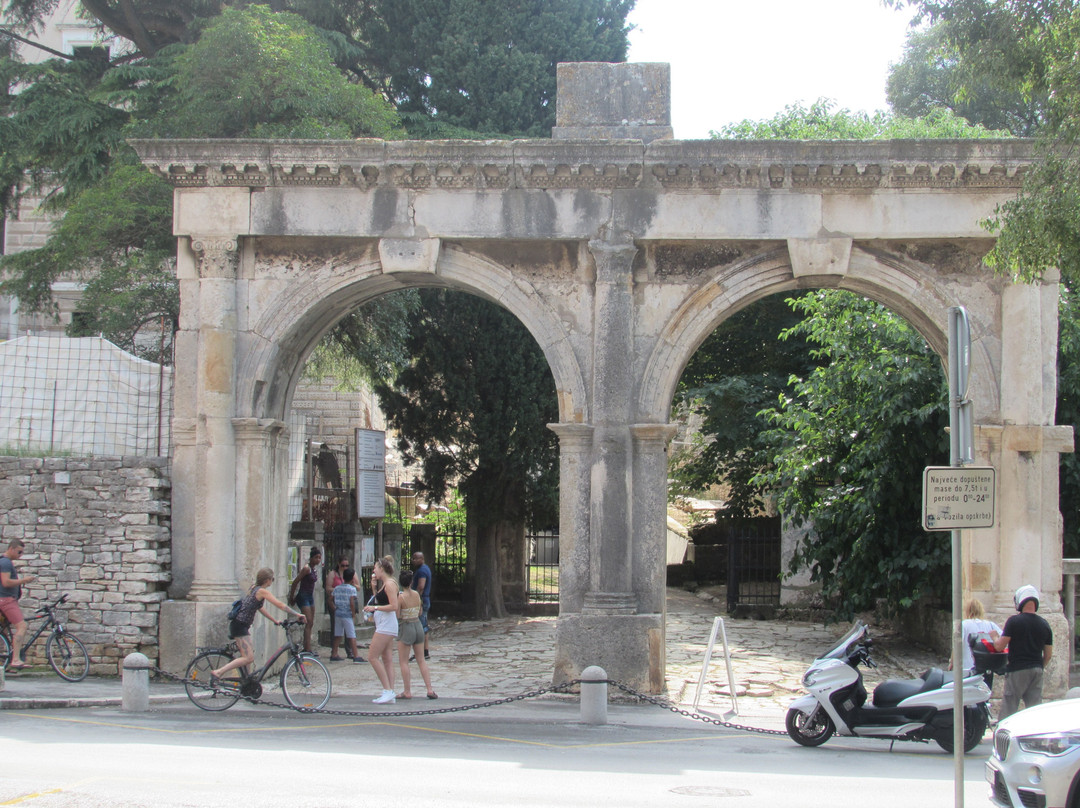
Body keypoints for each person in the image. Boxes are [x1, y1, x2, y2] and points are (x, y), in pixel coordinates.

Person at [212, 568, 305, 682]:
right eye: (272, 579)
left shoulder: (253, 588)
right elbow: (280, 604)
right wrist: (297, 614)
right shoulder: (262, 591)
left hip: (241, 625)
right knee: (248, 657)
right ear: (267, 580)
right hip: (239, 626)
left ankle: (246, 682)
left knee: (248, 655)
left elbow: (259, 607)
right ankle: (219, 672)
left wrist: (274, 620)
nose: (272, 581)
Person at [994, 584, 1053, 719]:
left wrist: (993, 637)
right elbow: (1048, 655)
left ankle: (1004, 736)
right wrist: (1038, 666)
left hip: (1017, 669)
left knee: (1010, 706)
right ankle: (1035, 738)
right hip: (1037, 669)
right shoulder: (1045, 624)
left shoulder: (1014, 621)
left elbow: (999, 646)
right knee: (1034, 709)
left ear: (1019, 602)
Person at [396, 569, 437, 699]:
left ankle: (407, 691)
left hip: (406, 626)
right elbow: (420, 612)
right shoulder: (416, 595)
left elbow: (397, 615)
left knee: (403, 661)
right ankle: (430, 689)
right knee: (421, 659)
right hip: (418, 626)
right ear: (411, 581)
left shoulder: (400, 597)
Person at [363, 556, 399, 704]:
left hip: (386, 625)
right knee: (387, 658)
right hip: (384, 623)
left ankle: (387, 690)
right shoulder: (385, 584)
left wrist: (374, 608)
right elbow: (380, 598)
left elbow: (394, 606)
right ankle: (390, 691)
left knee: (372, 656)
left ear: (382, 569)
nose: (374, 571)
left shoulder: (390, 584)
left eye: (375, 568)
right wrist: (373, 587)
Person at [0, 539, 36, 671]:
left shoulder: (5, 562)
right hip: (6, 600)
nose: (20, 555)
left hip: (5, 599)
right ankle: (15, 659)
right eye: (19, 552)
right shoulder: (5, 562)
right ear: (12, 548)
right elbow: (6, 582)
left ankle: (6, 663)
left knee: (4, 631)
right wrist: (23, 580)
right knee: (22, 626)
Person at [949, 597, 1001, 674]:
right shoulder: (991, 625)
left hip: (966, 667)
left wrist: (952, 662)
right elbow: (1002, 637)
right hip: (986, 667)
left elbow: (956, 645)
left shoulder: (962, 625)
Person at [288, 547, 322, 656]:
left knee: (311, 622)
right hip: (303, 596)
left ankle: (307, 646)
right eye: (316, 557)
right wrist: (292, 597)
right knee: (308, 621)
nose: (318, 560)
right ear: (311, 558)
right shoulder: (306, 569)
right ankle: (307, 649)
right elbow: (296, 582)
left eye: (319, 558)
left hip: (310, 596)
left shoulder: (314, 569)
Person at [329, 568, 364, 663]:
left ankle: (334, 653)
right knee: (351, 635)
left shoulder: (337, 588)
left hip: (338, 613)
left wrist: (334, 608)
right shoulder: (352, 589)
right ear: (352, 578)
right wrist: (353, 614)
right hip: (347, 614)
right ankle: (356, 655)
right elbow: (352, 602)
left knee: (338, 634)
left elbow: (330, 599)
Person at [411, 551, 433, 660]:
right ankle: (425, 651)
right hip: (425, 599)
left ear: (421, 559)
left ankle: (420, 652)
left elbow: (421, 586)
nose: (413, 560)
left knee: (420, 627)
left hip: (421, 600)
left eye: (415, 558)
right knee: (423, 625)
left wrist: (415, 598)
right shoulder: (425, 569)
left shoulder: (422, 571)